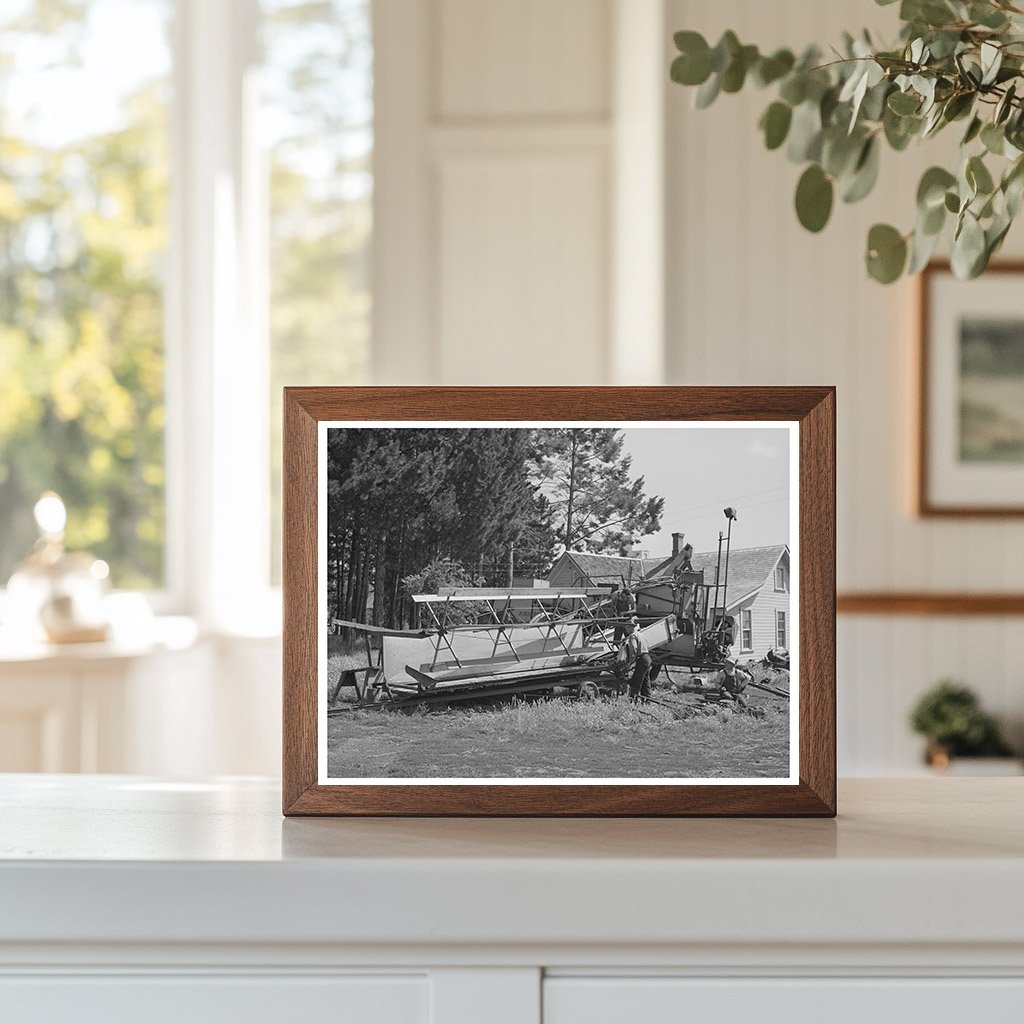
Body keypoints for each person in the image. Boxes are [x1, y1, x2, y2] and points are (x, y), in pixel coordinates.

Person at [621, 617, 652, 702]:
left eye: (627, 628)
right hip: (647, 658)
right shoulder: (642, 635)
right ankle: (647, 699)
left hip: (641, 659)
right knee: (645, 681)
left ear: (630, 627)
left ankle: (633, 699)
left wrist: (629, 662)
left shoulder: (632, 636)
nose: (626, 630)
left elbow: (633, 650)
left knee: (636, 680)